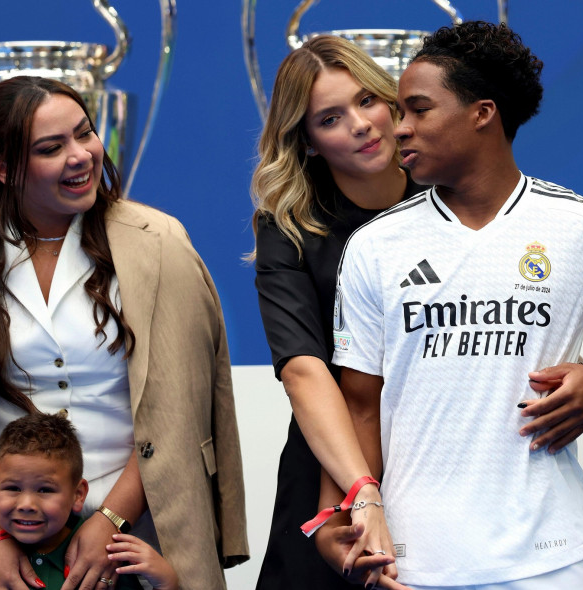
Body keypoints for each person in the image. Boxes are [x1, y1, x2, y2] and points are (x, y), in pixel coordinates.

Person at [323, 21, 583, 589]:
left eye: (418, 109)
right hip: (417, 564)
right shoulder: (374, 246)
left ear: (482, 113)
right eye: (399, 112)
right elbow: (359, 406)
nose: (399, 129)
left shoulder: (582, 226)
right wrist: (341, 514)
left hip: (553, 562)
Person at [0, 76, 248, 590]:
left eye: (85, 133)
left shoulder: (159, 243)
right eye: (52, 148)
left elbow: (179, 411)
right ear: (1, 168)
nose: (81, 156)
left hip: (137, 537)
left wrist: (110, 520)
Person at [250, 35, 427, 590]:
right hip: (330, 461)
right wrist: (358, 489)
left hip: (438, 450)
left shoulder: (450, 193)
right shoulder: (287, 225)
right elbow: (304, 369)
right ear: (305, 143)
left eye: (367, 101)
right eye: (330, 118)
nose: (360, 124)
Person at [0, 413, 178, 590]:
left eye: (44, 490)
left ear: (78, 494)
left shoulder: (106, 557)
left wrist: (167, 581)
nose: (27, 503)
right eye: (13, 488)